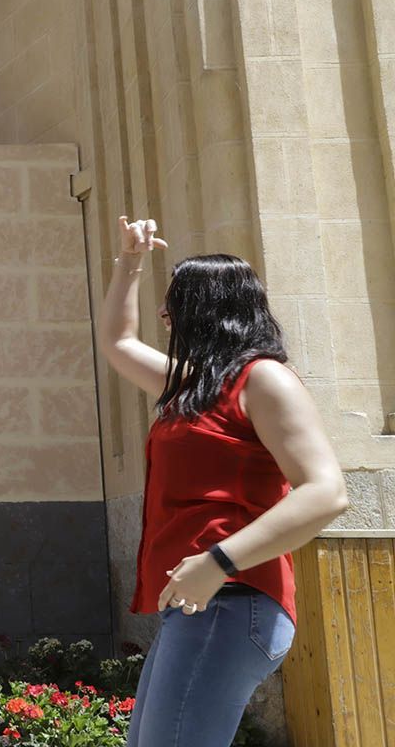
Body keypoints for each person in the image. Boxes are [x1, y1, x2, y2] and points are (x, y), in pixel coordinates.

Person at [98, 217, 349, 746]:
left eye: (176, 302)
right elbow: (119, 342)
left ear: (210, 310)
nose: (165, 314)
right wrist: (129, 260)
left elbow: (326, 491)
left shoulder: (263, 379)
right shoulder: (194, 386)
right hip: (202, 606)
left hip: (234, 600)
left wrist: (218, 562)